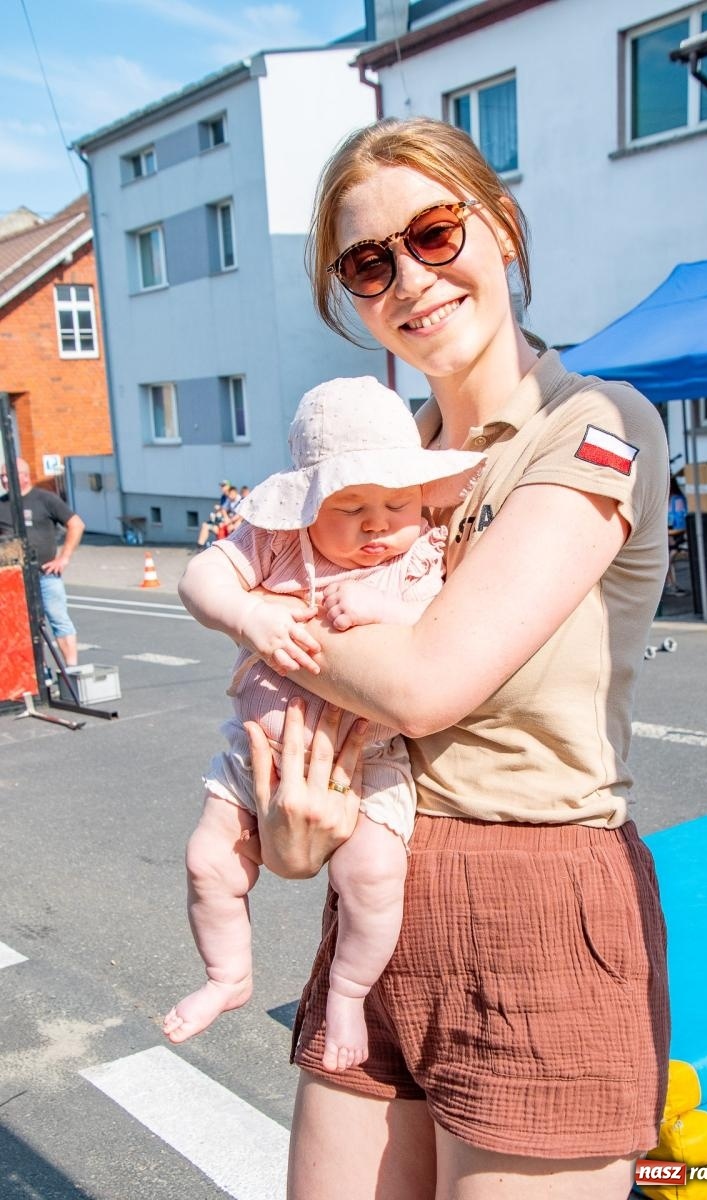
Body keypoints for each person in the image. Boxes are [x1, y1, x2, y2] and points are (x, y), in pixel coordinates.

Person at [179, 116, 671, 1200]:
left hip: (536, 899)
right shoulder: (377, 452)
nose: (409, 278)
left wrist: (264, 620)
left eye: (434, 233)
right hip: (384, 887)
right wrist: (293, 833)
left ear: (501, 228)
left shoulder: (592, 422)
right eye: (369, 263)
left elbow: (420, 685)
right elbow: (311, 700)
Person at [165, 375, 483, 1074]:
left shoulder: (421, 555)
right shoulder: (276, 542)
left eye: (397, 504)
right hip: (255, 751)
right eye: (350, 507)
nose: (377, 525)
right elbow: (198, 579)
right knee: (207, 861)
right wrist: (248, 614)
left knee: (373, 873)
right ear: (306, 505)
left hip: (368, 757)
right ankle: (227, 975)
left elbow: (445, 628)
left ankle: (347, 992)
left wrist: (384, 612)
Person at [0, 457, 85, 667]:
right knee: (23, 626)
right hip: (14, 579)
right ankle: (38, 672)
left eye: (8, 475)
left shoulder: (44, 499)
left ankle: (71, 670)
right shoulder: (2, 504)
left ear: (25, 476)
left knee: (58, 619)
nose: (4, 480)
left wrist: (63, 558)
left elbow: (76, 524)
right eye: (1, 476)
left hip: (45, 574)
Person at [665, 474, 688, 595]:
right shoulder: (667, 501)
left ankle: (672, 585)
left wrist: (666, 532)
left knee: (667, 559)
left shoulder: (677, 500)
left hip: (678, 537)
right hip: (670, 536)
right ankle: (670, 584)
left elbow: (681, 526)